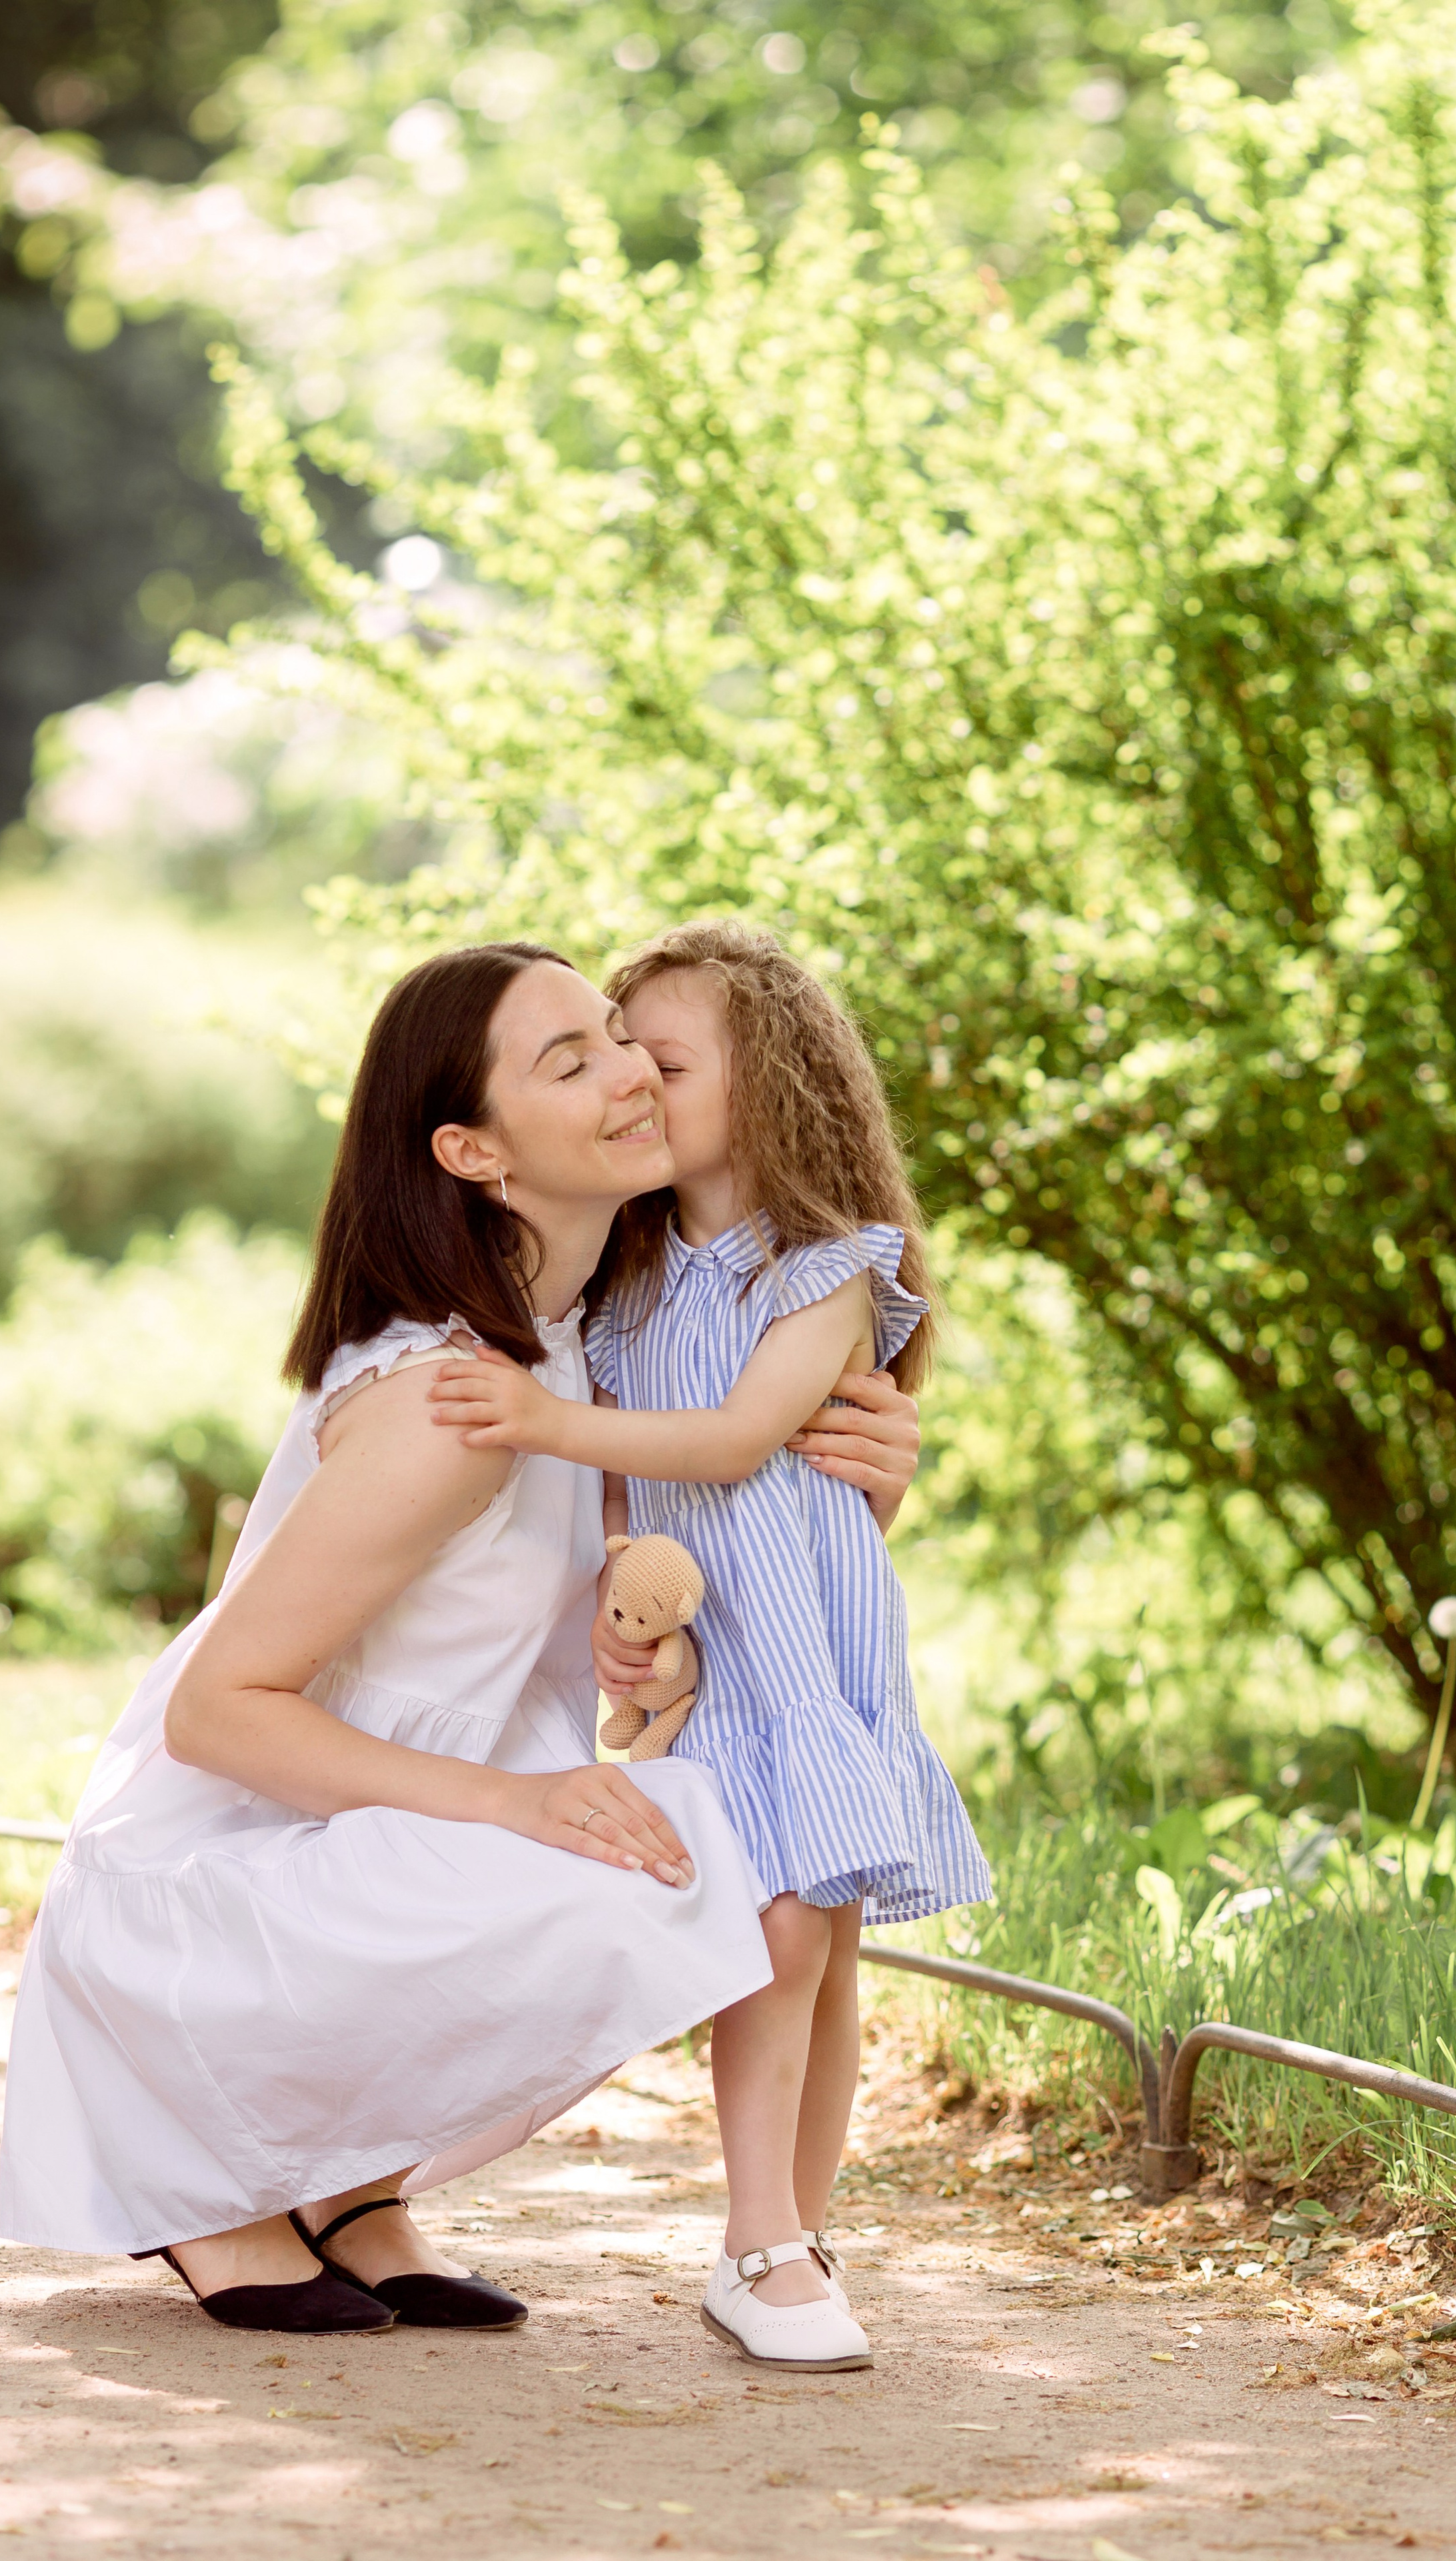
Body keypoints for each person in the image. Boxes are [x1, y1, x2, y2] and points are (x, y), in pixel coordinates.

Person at [0, 940, 924, 2342]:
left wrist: (830, 1503)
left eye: (623, 1037)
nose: (627, 1071)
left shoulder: (579, 1351)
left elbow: (681, 1560)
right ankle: (204, 2162)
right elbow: (218, 1715)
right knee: (706, 1855)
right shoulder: (453, 1405)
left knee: (738, 1830)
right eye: (571, 1060)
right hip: (210, 1894)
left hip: (364, 1845)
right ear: (472, 1151)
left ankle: (351, 2181)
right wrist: (522, 1798)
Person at [429, 923, 991, 2374]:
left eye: (660, 1062)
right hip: (717, 1647)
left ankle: (781, 2234)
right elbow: (626, 1498)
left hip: (800, 1644)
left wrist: (545, 1421)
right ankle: (768, 2238)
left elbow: (740, 1442)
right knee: (779, 1928)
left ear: (773, 1090)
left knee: (817, 1933)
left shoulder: (818, 1269)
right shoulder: (623, 1275)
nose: (631, 1081)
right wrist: (629, 1606)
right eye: (613, 1053)